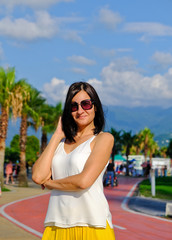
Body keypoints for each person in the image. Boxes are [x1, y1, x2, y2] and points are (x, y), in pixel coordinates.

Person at [32, 82, 115, 240]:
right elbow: (37, 176)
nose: (80, 110)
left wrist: (49, 183)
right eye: (74, 106)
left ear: (95, 106)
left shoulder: (103, 139)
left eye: (86, 104)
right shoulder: (60, 143)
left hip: (92, 225)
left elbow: (83, 181)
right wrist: (57, 136)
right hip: (56, 224)